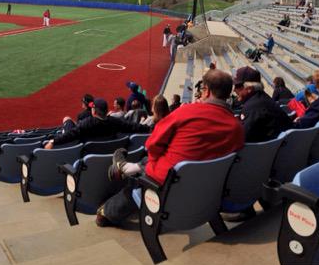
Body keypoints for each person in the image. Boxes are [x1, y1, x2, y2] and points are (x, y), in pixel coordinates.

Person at [97, 70, 244, 227]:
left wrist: (153, 162)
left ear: (207, 91)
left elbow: (152, 144)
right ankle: (129, 168)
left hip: (168, 183)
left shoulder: (187, 111)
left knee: (138, 182)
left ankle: (106, 212)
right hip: (207, 190)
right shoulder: (237, 127)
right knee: (157, 162)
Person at [44, 98, 149, 149]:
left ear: (94, 111)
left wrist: (53, 141)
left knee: (67, 120)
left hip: (87, 154)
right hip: (107, 153)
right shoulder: (114, 122)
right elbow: (132, 126)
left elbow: (70, 134)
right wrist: (147, 128)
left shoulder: (87, 123)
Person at [234, 67, 292, 143]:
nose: (234, 90)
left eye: (237, 86)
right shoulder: (264, 98)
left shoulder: (252, 107)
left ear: (249, 89)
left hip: (265, 152)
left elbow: (240, 139)